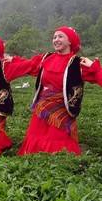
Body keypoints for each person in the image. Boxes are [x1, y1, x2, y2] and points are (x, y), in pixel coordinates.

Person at [18, 26, 94, 155]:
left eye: (60, 37)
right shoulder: (46, 58)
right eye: (54, 37)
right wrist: (11, 62)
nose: (56, 40)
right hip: (42, 107)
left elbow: (97, 75)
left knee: (58, 138)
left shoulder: (76, 62)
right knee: (36, 137)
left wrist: (97, 68)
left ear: (70, 41)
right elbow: (29, 65)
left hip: (62, 108)